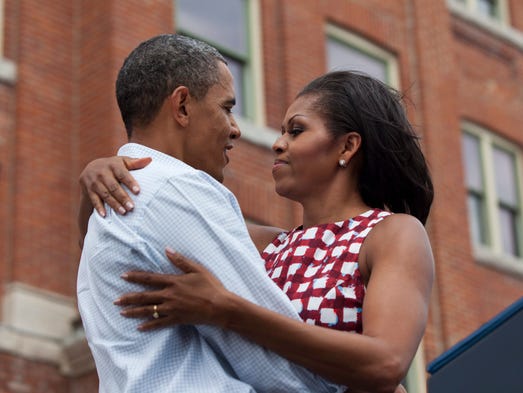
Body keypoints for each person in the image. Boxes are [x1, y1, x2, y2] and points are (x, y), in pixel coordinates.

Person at [80, 69, 434, 392]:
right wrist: (102, 179)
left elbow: (385, 362)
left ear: (347, 146)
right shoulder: (267, 245)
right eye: (281, 132)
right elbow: (123, 242)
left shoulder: (392, 234)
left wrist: (226, 310)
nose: (278, 143)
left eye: (296, 130)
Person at [77, 33, 345, 393]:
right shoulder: (174, 189)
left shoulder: (124, 195)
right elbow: (272, 360)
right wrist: (348, 385)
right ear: (183, 106)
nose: (235, 128)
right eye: (227, 108)